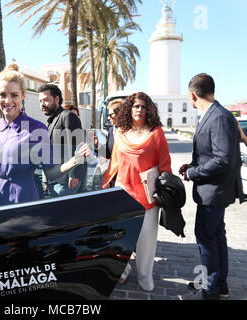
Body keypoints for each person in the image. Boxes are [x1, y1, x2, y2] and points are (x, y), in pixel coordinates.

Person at [0, 63, 90, 208]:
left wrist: (75, 161)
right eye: (3, 95)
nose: (8, 101)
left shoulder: (37, 129)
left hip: (22, 200)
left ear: (23, 96)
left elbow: (50, 173)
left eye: (14, 95)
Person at [178, 73, 244, 300]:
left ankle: (210, 289)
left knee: (206, 237)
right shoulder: (215, 115)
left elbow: (223, 158)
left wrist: (193, 172)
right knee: (216, 236)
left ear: (192, 94)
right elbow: (211, 154)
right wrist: (192, 164)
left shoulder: (218, 117)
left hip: (214, 191)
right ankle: (219, 285)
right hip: (213, 190)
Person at [102, 92, 172, 292]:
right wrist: (105, 183)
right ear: (129, 109)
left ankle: (145, 277)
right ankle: (121, 272)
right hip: (123, 193)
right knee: (120, 237)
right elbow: (115, 162)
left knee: (146, 241)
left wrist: (167, 190)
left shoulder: (156, 133)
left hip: (148, 195)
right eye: (135, 106)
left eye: (143, 106)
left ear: (148, 109)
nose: (139, 110)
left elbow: (165, 165)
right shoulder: (121, 132)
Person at [38, 84, 85, 196]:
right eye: (40, 101)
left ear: (57, 99)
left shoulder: (68, 116)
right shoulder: (52, 120)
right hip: (55, 181)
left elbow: (77, 147)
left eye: (45, 100)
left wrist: (74, 175)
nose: (42, 104)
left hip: (66, 182)